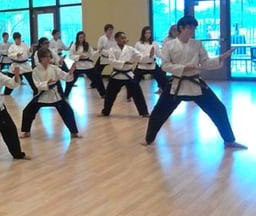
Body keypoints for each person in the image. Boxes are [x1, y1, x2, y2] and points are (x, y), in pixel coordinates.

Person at [144, 16, 247, 149]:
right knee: (158, 112)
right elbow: (164, 65)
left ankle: (229, 141)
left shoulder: (197, 44)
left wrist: (220, 58)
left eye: (194, 28)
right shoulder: (169, 45)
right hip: (177, 84)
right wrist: (184, 68)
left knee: (219, 109)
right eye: (190, 27)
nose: (193, 30)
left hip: (195, 83)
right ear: (181, 28)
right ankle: (148, 139)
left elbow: (205, 62)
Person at [20, 48, 80, 139]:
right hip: (42, 96)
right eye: (46, 57)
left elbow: (66, 77)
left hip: (54, 95)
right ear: (41, 58)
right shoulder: (36, 70)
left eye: (49, 56)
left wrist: (70, 72)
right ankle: (26, 132)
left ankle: (74, 132)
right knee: (28, 111)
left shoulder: (54, 68)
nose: (49, 59)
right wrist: (47, 83)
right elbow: (37, 85)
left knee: (68, 111)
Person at [100, 32, 150, 118]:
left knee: (138, 94)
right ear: (116, 39)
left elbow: (140, 57)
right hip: (117, 75)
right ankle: (105, 112)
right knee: (109, 95)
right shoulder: (112, 50)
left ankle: (144, 112)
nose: (124, 40)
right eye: (122, 38)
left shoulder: (130, 49)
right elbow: (111, 61)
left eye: (125, 38)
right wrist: (124, 62)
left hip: (128, 74)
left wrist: (149, 56)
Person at [64, 31, 106, 98]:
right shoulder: (74, 45)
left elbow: (91, 53)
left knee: (98, 78)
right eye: (80, 37)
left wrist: (98, 51)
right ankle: (65, 95)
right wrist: (78, 57)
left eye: (83, 37)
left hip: (88, 66)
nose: (82, 39)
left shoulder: (87, 45)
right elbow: (70, 55)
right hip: (77, 66)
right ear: (77, 38)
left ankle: (103, 94)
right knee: (70, 79)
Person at [129, 26, 167, 97]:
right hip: (141, 66)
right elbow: (135, 55)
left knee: (162, 78)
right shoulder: (138, 44)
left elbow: (159, 54)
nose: (148, 34)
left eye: (149, 33)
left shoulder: (154, 43)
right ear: (143, 34)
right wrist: (147, 56)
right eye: (146, 33)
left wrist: (168, 58)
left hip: (152, 66)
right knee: (133, 81)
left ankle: (166, 94)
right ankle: (130, 95)